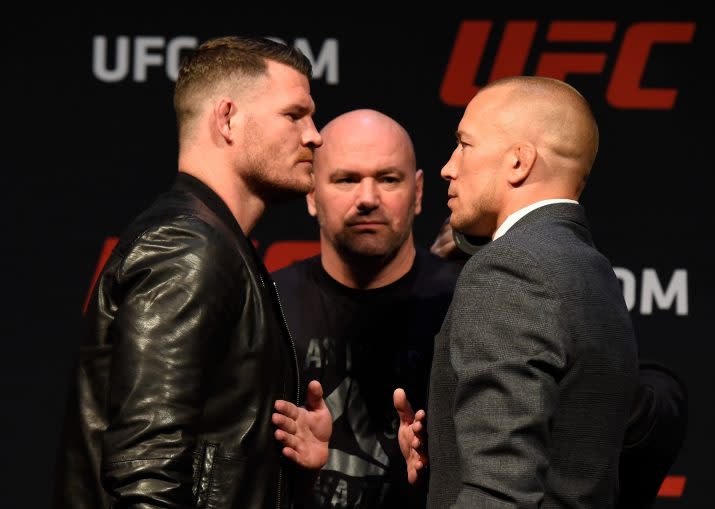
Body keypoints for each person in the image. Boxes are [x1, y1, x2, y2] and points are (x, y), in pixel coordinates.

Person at [54, 36, 332, 508]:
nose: (314, 135)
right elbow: (147, 475)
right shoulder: (188, 248)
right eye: (294, 115)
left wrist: (285, 467)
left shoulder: (217, 245)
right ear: (226, 119)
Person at [420, 76, 640, 508]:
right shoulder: (591, 270)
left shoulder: (509, 268)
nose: (448, 166)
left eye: (464, 144)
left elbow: (501, 489)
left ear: (519, 162)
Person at [272, 109, 460, 508]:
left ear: (419, 192)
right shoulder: (269, 304)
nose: (368, 199)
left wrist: (442, 465)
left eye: (388, 179)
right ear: (311, 193)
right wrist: (296, 477)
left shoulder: (465, 303)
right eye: (346, 179)